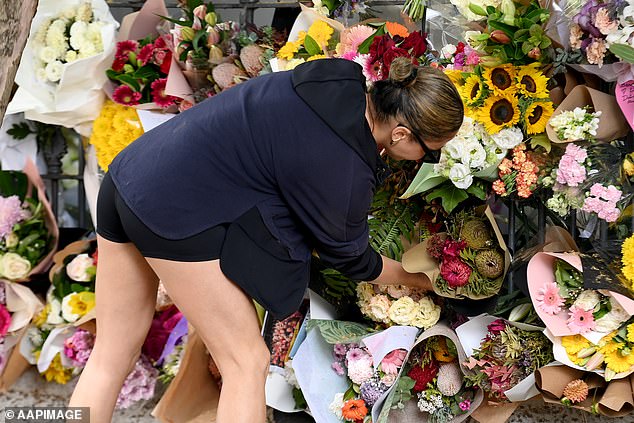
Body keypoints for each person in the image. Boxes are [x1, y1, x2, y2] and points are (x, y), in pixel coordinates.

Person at [69, 56, 464, 422]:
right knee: (246, 361)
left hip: (132, 174)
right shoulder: (343, 165)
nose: (420, 162)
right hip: (174, 212)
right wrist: (420, 279)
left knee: (110, 353)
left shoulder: (335, 77)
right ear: (399, 133)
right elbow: (353, 258)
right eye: (427, 153)